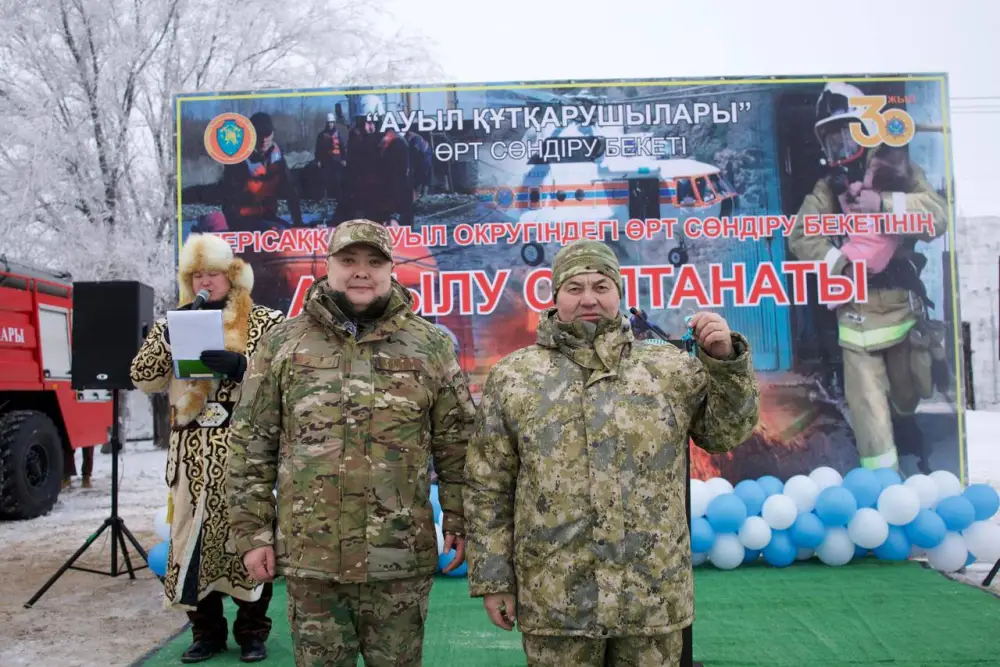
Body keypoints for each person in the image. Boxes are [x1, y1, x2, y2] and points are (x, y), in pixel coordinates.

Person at [463, 239, 760, 667]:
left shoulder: (668, 369)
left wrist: (725, 363)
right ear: (554, 296)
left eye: (601, 286)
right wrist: (493, 579)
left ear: (619, 293)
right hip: (557, 599)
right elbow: (488, 484)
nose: (589, 298)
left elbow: (726, 433)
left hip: (652, 596)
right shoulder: (515, 376)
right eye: (575, 287)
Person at [226, 219, 476, 667]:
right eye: (348, 260)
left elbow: (457, 443)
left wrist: (458, 517)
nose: (361, 271)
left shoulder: (430, 345)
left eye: (374, 261)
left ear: (392, 269)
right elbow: (250, 444)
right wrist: (252, 533)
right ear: (328, 266)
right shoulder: (283, 343)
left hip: (397, 559)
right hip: (312, 559)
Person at [129, 232, 285, 664]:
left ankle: (253, 632)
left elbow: (287, 377)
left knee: (249, 541)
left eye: (213, 273)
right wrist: (169, 334)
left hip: (244, 453)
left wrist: (243, 367)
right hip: (191, 455)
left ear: (231, 275)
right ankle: (207, 633)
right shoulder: (173, 322)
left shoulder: (265, 322)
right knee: (190, 545)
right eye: (197, 274)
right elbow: (143, 377)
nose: (205, 281)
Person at [787, 81, 949, 474]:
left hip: (903, 309)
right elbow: (800, 234)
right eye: (831, 139)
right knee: (868, 410)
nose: (839, 147)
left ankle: (910, 438)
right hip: (856, 315)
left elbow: (937, 215)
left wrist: (885, 203)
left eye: (845, 134)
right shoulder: (828, 188)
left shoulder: (900, 170)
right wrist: (842, 263)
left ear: (865, 128)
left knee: (908, 394)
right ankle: (882, 487)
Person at [221, 111, 304, 232]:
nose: (264, 139)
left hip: (267, 216)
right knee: (276, 230)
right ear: (251, 135)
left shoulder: (278, 160)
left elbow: (291, 193)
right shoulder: (238, 160)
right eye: (259, 134)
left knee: (286, 230)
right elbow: (229, 200)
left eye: (267, 133)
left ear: (273, 134)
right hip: (242, 221)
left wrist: (298, 222)